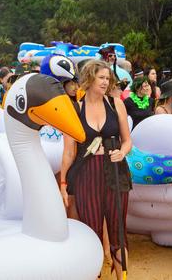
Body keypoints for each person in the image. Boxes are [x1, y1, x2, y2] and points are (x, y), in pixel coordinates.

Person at [60, 60, 132, 280]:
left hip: (116, 171)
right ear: (89, 79)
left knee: (118, 231)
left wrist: (122, 152)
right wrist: (63, 184)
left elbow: (127, 140)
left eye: (108, 78)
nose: (105, 82)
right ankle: (95, 274)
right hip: (86, 175)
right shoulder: (74, 109)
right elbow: (69, 152)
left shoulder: (115, 103)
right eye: (101, 78)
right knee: (90, 232)